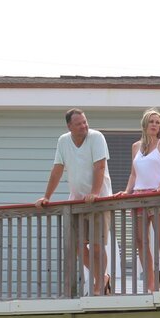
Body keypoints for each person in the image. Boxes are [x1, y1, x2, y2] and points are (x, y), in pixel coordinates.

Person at [36, 108, 113, 295]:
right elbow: (57, 170)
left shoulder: (96, 137)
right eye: (79, 124)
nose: (84, 126)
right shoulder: (63, 141)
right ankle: (102, 277)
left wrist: (94, 193)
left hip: (99, 200)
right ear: (69, 126)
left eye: (85, 122)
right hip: (77, 202)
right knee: (78, 245)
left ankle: (99, 284)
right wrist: (47, 196)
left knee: (96, 245)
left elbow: (100, 166)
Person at [117, 109, 160, 292]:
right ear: (145, 124)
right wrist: (127, 191)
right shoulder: (135, 146)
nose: (154, 125)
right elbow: (133, 174)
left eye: (157, 122)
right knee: (141, 240)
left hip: (157, 197)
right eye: (151, 121)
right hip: (139, 197)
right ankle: (150, 284)